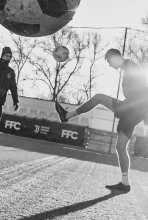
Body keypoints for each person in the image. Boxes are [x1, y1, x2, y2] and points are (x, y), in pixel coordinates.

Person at [55, 48, 148, 193]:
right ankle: (125, 183)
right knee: (120, 147)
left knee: (99, 98)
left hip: (133, 108)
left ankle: (67, 116)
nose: (110, 65)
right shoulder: (127, 69)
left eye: (110, 61)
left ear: (116, 57)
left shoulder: (131, 67)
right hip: (132, 112)